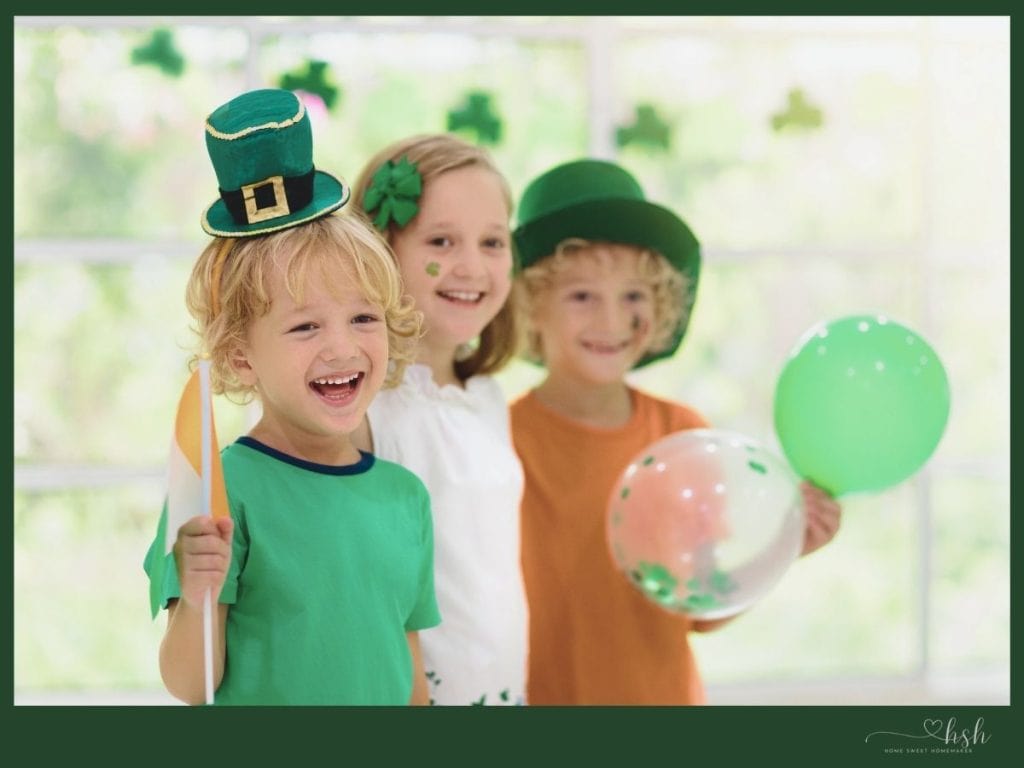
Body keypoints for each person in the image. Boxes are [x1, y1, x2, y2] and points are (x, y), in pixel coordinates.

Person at [144, 88, 439, 705]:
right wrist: (197, 594)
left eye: (364, 318)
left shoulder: (405, 497)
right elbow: (189, 685)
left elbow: (408, 666)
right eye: (305, 327)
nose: (342, 347)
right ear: (239, 356)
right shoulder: (220, 490)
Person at [510, 158, 842, 705]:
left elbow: (701, 609)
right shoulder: (502, 440)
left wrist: (785, 548)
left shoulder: (682, 436)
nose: (612, 321)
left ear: (660, 306)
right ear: (530, 306)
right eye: (582, 296)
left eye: (633, 296)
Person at [349, 134, 528, 705]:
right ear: (382, 251)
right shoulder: (365, 405)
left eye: (492, 242)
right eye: (441, 241)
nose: (471, 267)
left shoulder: (487, 401)